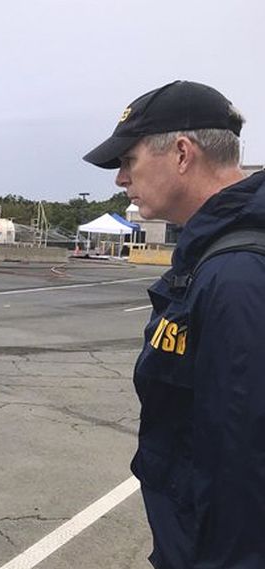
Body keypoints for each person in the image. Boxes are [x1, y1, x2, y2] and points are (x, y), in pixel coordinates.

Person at [84, 80, 265, 568]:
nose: (121, 179)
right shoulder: (214, 256)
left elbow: (243, 467)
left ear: (182, 153)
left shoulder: (235, 274)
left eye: (128, 160)